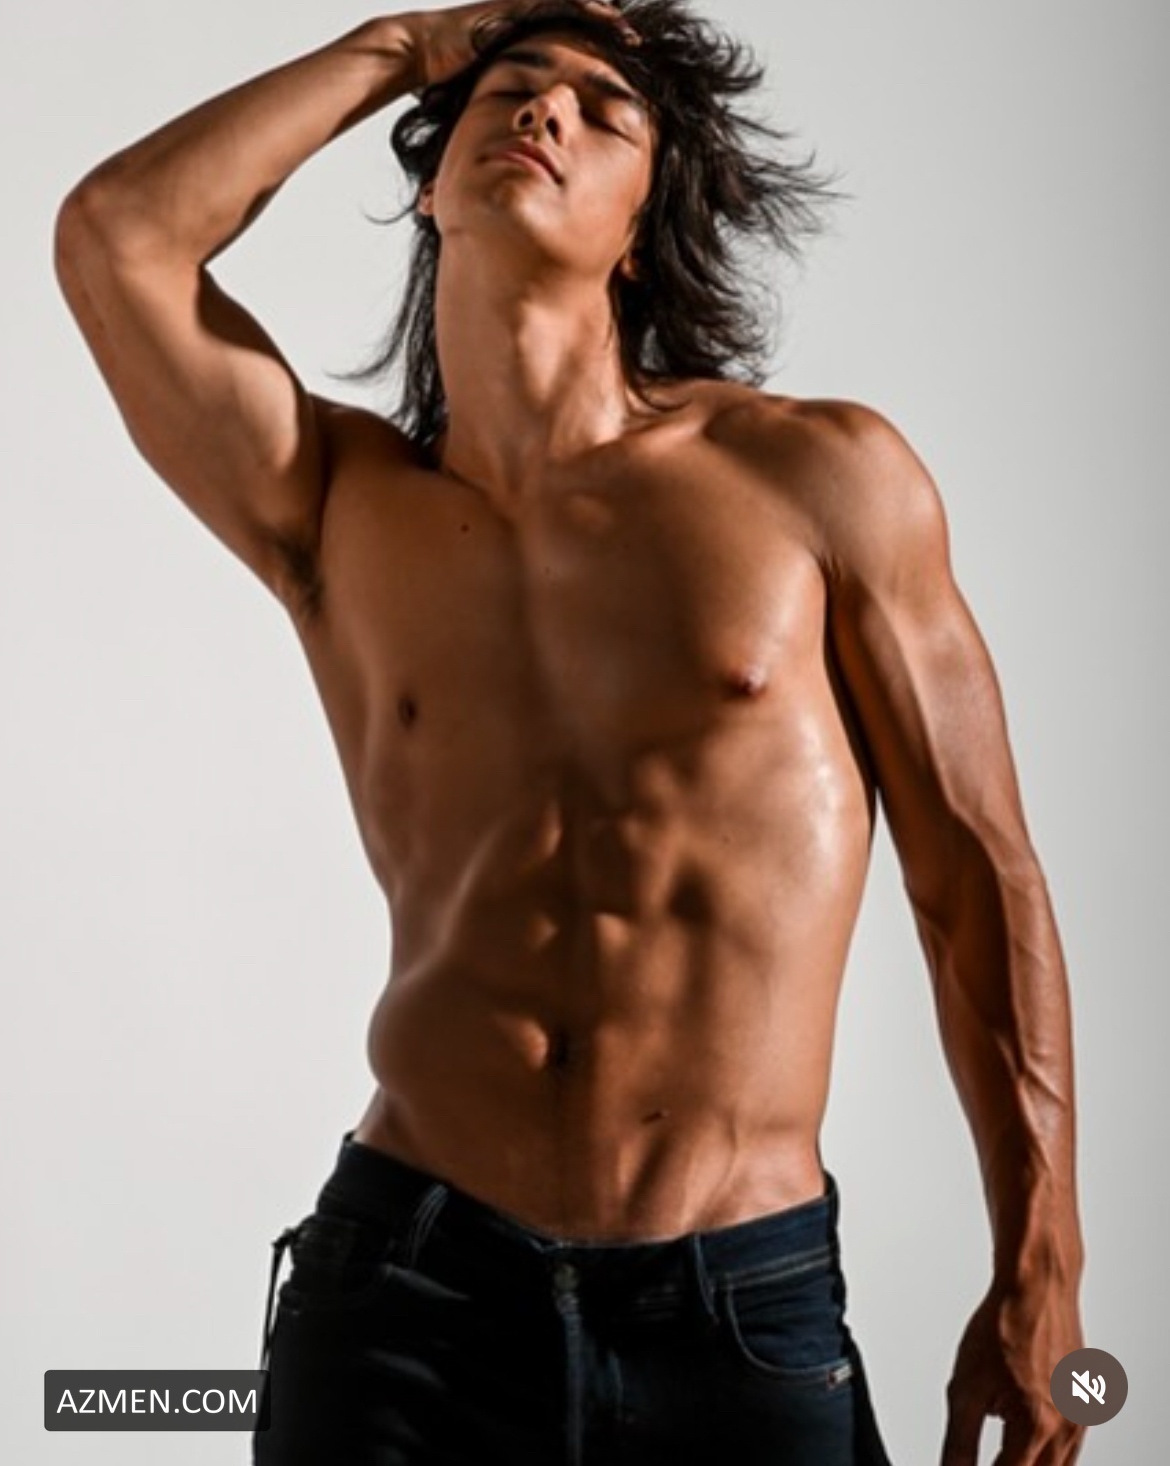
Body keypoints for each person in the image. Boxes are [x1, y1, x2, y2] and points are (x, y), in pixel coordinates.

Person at [53, 1, 1087, 1461]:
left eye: (603, 113)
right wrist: (407, 48)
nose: (544, 111)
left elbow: (976, 878)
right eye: (511, 93)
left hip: (736, 1302)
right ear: (433, 185)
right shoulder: (336, 504)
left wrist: (1045, 1265)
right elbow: (115, 237)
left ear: (641, 232)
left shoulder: (817, 480)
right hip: (404, 1294)